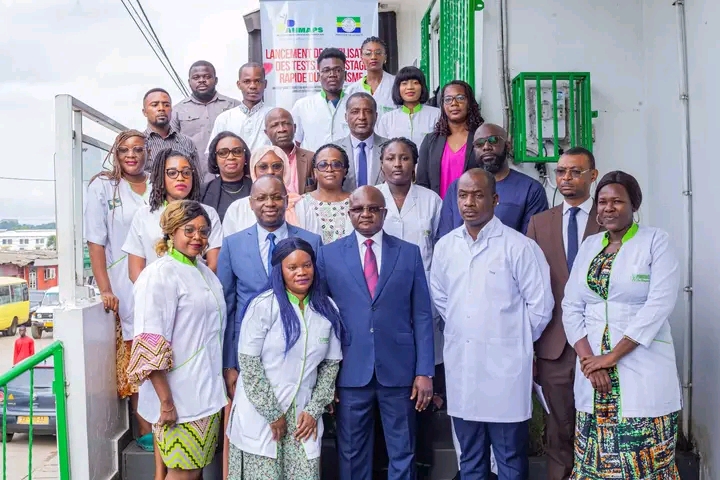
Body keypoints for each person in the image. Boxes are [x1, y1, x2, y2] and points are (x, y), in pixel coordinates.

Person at [430, 168, 554, 480]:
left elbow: (541, 307)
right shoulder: (445, 247)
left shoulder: (519, 246)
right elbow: (442, 299)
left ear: (495, 199)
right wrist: (470, 329)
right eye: (462, 195)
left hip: (506, 372)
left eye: (478, 195)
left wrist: (511, 339)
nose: (469, 202)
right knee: (470, 459)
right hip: (463, 368)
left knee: (509, 458)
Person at [562, 171, 682, 479]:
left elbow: (658, 305)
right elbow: (571, 306)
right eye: (602, 201)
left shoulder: (655, 241)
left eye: (617, 201)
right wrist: (591, 363)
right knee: (595, 465)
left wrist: (611, 357)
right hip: (594, 378)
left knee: (642, 464)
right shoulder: (590, 246)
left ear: (634, 205)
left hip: (640, 368)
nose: (608, 208)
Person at [317, 185, 435, 480]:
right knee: (351, 453)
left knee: (403, 451)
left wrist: (424, 371)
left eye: (373, 208)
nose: (366, 214)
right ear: (349, 213)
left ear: (384, 212)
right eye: (359, 209)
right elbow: (322, 319)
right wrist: (324, 377)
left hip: (399, 371)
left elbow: (422, 316)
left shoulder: (408, 253)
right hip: (350, 371)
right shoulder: (329, 255)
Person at [226, 238, 344, 479]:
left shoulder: (327, 309)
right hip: (262, 415)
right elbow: (249, 365)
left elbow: (330, 366)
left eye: (307, 265)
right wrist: (273, 413)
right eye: (292, 267)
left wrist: (313, 410)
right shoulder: (262, 306)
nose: (301, 272)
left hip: (303, 418)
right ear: (279, 271)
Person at [127, 200, 227, 479]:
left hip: (205, 394)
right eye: (189, 230)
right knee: (184, 474)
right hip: (177, 399)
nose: (198, 237)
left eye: (203, 231)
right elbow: (149, 345)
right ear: (171, 231)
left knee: (193, 471)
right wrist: (167, 403)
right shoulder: (159, 275)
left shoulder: (203, 272)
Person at [525, 147, 602, 480]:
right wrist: (529, 348)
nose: (566, 178)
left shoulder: (608, 217)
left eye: (575, 171)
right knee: (559, 427)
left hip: (600, 344)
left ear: (593, 176)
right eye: (561, 171)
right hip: (553, 346)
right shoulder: (540, 222)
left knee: (600, 426)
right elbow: (528, 288)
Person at [217, 175, 323, 407]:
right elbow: (227, 308)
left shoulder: (311, 241)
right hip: (250, 352)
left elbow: (319, 301)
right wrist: (229, 364)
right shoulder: (233, 244)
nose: (269, 203)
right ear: (251, 203)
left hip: (300, 353)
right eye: (261, 198)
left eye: (276, 197)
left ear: (286, 200)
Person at [375, 137, 443, 477]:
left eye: (404, 158)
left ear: (415, 163)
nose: (398, 164)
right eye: (391, 158)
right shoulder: (371, 198)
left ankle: (421, 465)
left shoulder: (432, 201)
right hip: (383, 311)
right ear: (382, 163)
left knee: (421, 392)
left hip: (425, 304)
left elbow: (441, 251)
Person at [84, 129, 152, 446]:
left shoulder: (158, 183)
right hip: (124, 285)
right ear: (115, 153)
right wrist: (105, 288)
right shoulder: (103, 186)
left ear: (147, 152)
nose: (131, 155)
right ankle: (146, 432)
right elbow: (95, 241)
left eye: (138, 149)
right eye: (124, 150)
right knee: (138, 360)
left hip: (159, 279)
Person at [122, 149, 223, 283]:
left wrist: (194, 290)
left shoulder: (208, 213)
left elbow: (214, 265)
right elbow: (135, 271)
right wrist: (155, 292)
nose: (180, 178)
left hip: (197, 289)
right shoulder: (144, 215)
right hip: (154, 290)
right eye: (172, 173)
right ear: (160, 176)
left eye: (186, 172)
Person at [438, 123, 548, 236]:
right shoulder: (457, 187)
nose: (486, 147)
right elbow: (444, 237)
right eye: (479, 143)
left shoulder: (531, 190)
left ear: (508, 146)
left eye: (493, 140)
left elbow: (532, 240)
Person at [222, 146, 321, 236]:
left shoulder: (301, 205)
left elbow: (314, 243)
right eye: (263, 167)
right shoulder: (237, 209)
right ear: (254, 170)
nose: (270, 171)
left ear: (285, 170)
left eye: (276, 166)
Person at [171, 60, 240, 182]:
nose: (202, 80)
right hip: (192, 178)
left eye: (207, 77)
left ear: (216, 80)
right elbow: (171, 146)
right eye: (196, 77)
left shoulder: (233, 106)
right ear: (189, 82)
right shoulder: (177, 111)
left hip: (229, 177)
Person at [416, 81, 483, 198]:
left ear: (469, 103)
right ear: (442, 105)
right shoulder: (430, 141)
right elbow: (422, 183)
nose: (454, 103)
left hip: (472, 206)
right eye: (448, 99)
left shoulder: (481, 139)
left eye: (460, 98)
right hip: (438, 208)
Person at [207, 62, 273, 155]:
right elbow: (212, 154)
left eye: (258, 81)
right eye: (247, 81)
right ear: (239, 84)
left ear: (265, 84)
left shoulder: (274, 116)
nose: (253, 86)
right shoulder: (225, 118)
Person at [292, 48, 350, 152]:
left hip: (348, 162)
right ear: (318, 76)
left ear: (345, 75)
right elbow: (296, 142)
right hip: (313, 162)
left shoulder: (355, 105)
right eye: (326, 70)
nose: (332, 74)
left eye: (337, 70)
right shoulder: (302, 105)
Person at [294, 144, 353, 244]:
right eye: (323, 165)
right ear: (315, 172)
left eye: (336, 165)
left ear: (345, 171)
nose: (329, 169)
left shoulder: (355, 202)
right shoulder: (302, 203)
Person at [334, 92, 389, 192]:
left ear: (376, 116)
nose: (362, 117)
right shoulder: (333, 150)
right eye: (355, 112)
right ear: (346, 117)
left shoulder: (390, 148)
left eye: (367, 111)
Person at [376, 67, 441, 148]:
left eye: (415, 83)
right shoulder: (387, 119)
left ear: (422, 87)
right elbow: (381, 149)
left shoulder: (436, 115)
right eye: (404, 83)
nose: (410, 87)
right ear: (398, 88)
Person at [142, 88, 199, 173]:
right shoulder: (139, 145)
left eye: (166, 105)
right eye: (155, 105)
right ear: (144, 112)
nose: (161, 108)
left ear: (171, 110)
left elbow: (198, 178)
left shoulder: (187, 143)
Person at [200, 132, 252, 222]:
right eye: (223, 153)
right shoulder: (202, 192)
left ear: (245, 157)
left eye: (237, 151)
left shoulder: (258, 187)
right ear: (215, 158)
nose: (231, 157)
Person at [265, 108, 316, 194]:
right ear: (266, 132)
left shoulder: (312, 158)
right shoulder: (260, 162)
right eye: (275, 125)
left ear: (295, 128)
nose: (281, 129)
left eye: (286, 123)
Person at [344, 36, 396, 119]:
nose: (373, 57)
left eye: (378, 53)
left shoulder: (396, 84)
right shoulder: (352, 90)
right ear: (362, 58)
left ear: (385, 57)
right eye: (368, 54)